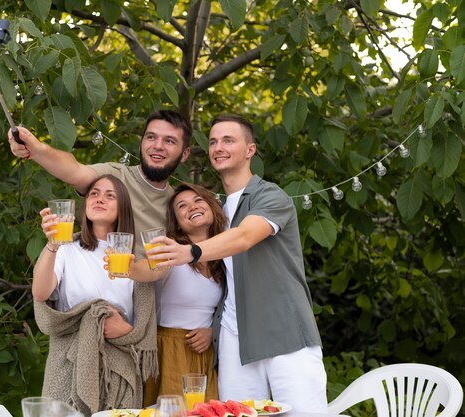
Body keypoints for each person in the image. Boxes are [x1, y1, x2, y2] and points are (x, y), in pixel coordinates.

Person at [146, 114, 328, 412]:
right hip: (235, 341)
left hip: (284, 333)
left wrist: (190, 252)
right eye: (214, 141)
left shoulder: (269, 195)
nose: (218, 147)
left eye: (228, 140)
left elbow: (244, 237)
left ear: (250, 150)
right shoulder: (219, 214)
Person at [32, 174, 158, 416]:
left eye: (110, 195)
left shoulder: (134, 262)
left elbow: (143, 323)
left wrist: (126, 331)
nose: (100, 199)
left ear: (123, 208)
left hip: (119, 366)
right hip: (69, 360)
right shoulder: (65, 249)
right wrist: (52, 245)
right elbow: (40, 292)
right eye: (94, 194)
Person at [9, 110, 192, 258]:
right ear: (142, 143)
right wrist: (36, 149)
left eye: (169, 141)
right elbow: (74, 171)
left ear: (184, 154)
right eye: (151, 137)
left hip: (149, 299)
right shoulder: (116, 176)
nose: (158, 146)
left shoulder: (179, 205)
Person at [128, 183, 225, 406]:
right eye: (182, 206)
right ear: (178, 224)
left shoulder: (224, 255)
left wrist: (212, 332)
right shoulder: (171, 251)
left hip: (206, 351)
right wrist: (131, 269)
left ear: (211, 207)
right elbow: (151, 269)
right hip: (170, 348)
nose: (192, 207)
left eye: (198, 200)